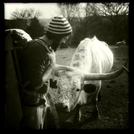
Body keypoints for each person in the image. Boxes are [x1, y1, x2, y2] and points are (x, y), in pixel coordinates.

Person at [19, 16, 72, 129]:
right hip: (32, 104)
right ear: (57, 36)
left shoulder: (44, 46)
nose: (65, 41)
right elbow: (37, 84)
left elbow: (42, 71)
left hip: (40, 100)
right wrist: (52, 64)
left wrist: (65, 70)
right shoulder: (37, 49)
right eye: (64, 38)